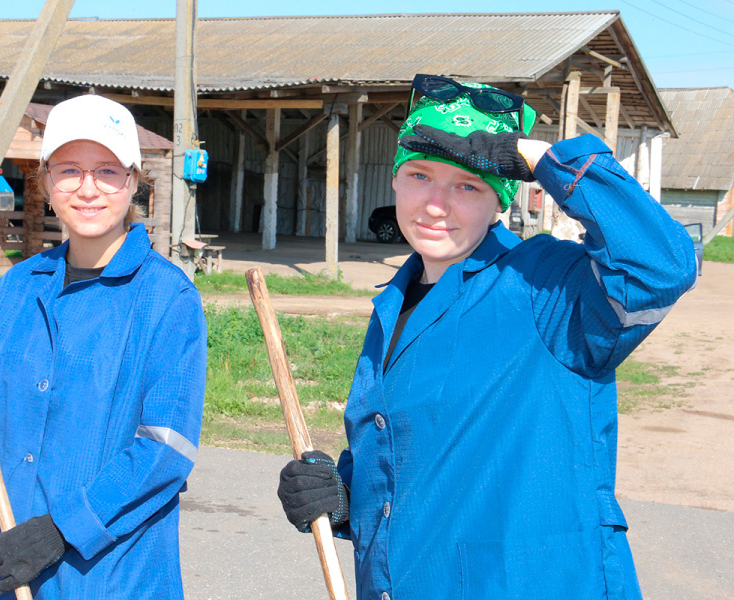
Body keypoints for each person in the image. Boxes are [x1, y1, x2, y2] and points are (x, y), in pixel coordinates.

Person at [277, 75, 697, 599]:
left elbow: (660, 265)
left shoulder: (548, 287)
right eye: (420, 175)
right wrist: (344, 498)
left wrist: (542, 158)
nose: (434, 204)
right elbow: (425, 461)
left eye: (468, 185)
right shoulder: (396, 302)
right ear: (395, 181)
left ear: (500, 199)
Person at [0, 94, 206, 599]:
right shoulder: (20, 285)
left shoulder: (167, 299)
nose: (88, 188)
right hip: (2, 558)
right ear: (47, 181)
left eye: (107, 171)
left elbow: (165, 451)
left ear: (134, 181)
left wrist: (63, 528)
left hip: (106, 573)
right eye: (69, 170)